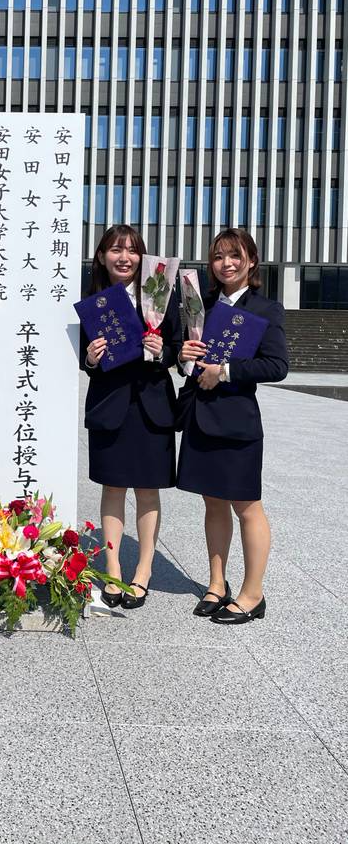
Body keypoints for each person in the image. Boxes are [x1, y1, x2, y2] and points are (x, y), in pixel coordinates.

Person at [177, 228, 288, 625]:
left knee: (247, 506)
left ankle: (253, 593)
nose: (227, 263)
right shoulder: (200, 304)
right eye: (219, 256)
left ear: (251, 262)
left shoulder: (266, 309)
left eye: (235, 256)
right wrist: (185, 357)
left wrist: (225, 371)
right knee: (213, 502)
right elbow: (185, 362)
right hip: (201, 417)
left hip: (238, 421)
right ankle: (216, 584)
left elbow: (277, 366)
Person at [81, 225, 181, 610]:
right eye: (115, 250)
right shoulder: (92, 300)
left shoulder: (160, 294)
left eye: (132, 251)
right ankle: (112, 569)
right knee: (112, 488)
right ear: (102, 257)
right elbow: (82, 359)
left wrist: (161, 351)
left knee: (147, 490)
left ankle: (143, 570)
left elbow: (178, 346)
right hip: (109, 405)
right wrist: (91, 356)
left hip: (151, 405)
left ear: (143, 257)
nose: (124, 257)